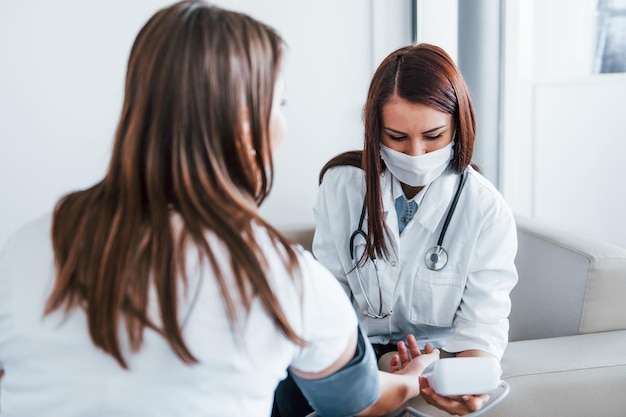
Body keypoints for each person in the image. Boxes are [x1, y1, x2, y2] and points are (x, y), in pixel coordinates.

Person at [0, 2, 441, 417]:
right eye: (280, 104)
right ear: (247, 127)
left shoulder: (28, 246)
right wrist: (409, 380)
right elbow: (356, 401)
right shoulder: (281, 277)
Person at [309, 43, 519, 416]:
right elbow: (329, 304)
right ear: (375, 130)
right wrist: (372, 364)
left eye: (434, 136)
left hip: (433, 359)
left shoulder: (485, 210)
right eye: (397, 137)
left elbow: (481, 329)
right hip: (351, 356)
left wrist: (462, 381)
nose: (416, 155)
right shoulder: (341, 187)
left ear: (459, 125)